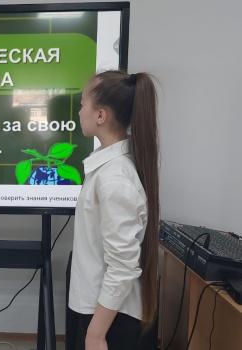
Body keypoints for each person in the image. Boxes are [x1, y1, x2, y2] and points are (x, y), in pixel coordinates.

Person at [66, 71, 159, 350]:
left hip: (107, 320)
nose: (79, 111)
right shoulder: (105, 168)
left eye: (83, 103)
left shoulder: (115, 179)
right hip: (96, 309)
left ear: (101, 116)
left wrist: (96, 334)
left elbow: (123, 266)